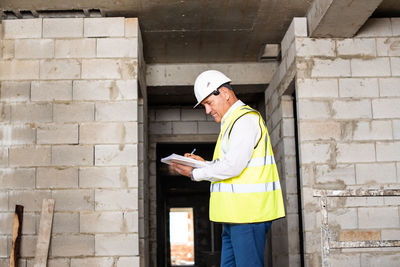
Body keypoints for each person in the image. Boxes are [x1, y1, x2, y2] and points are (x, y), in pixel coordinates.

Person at [170, 70, 285, 267]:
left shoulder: (245, 120)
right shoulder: (231, 123)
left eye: (208, 103)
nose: (207, 111)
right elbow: (231, 164)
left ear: (224, 93)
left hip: (248, 215)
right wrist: (202, 163)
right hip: (234, 216)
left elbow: (232, 167)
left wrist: (195, 173)